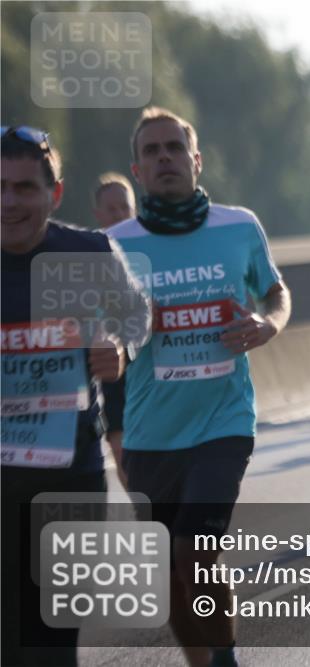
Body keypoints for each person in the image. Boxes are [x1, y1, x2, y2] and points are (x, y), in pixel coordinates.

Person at [106, 107, 292, 667]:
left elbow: (276, 293)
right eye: (152, 151)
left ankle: (227, 660)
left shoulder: (239, 225)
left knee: (195, 552)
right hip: (150, 431)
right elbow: (97, 339)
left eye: (174, 148)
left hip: (224, 422)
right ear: (137, 170)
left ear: (196, 159)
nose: (164, 157)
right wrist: (131, 332)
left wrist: (269, 324)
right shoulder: (111, 244)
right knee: (174, 572)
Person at [2, 126, 150, 666]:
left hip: (68, 476)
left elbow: (137, 315)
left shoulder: (88, 251)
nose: (8, 202)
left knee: (49, 645)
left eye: (23, 188)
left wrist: (121, 349)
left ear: (54, 193)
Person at [93, 172, 138, 489]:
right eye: (112, 209)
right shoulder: (87, 253)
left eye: (125, 207)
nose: (119, 214)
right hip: (108, 367)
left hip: (146, 360)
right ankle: (142, 506)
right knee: (120, 444)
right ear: (98, 214)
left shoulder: (153, 250)